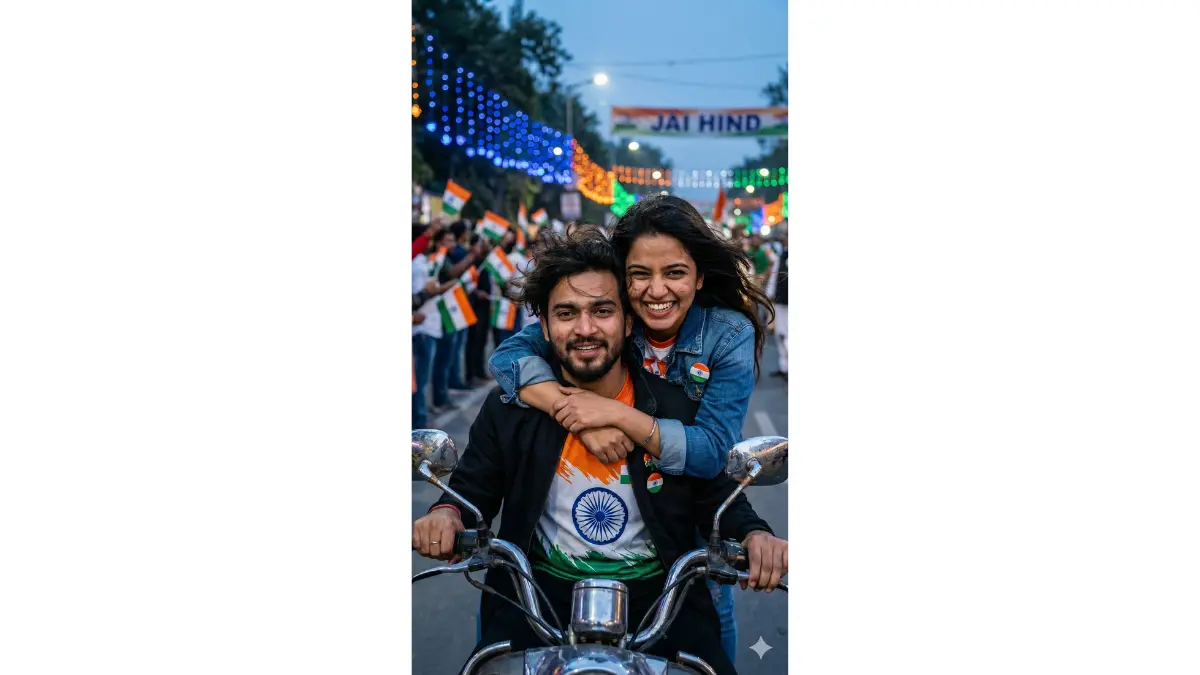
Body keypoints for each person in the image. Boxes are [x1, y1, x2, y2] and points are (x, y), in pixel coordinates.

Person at [413, 230, 787, 675]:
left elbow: (718, 494)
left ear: (628, 322)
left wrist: (755, 536)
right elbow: (472, 486)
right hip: (535, 604)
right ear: (544, 327)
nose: (585, 329)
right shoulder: (510, 407)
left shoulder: (674, 408)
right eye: (567, 313)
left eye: (602, 311)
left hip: (662, 609)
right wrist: (446, 515)